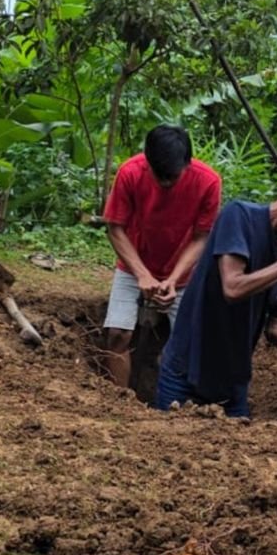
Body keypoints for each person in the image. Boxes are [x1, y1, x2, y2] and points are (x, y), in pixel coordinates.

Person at [155, 171, 277, 418]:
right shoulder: (239, 216)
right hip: (185, 370)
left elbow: (276, 330)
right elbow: (232, 287)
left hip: (233, 382)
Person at [102, 126, 222, 387]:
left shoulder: (208, 182)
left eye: (172, 176)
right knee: (117, 335)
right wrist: (142, 274)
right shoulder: (130, 172)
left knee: (186, 347)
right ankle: (116, 403)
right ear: (147, 161)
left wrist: (173, 279)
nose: (166, 183)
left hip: (184, 274)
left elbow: (202, 237)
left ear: (187, 164)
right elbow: (115, 227)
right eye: (160, 176)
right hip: (133, 265)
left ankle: (174, 406)